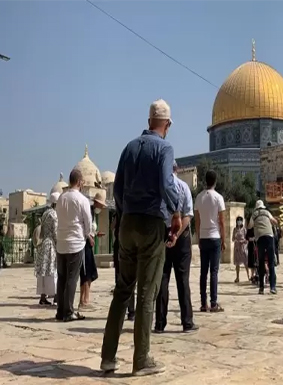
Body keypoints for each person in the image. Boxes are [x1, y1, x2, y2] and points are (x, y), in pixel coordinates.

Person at [101, 99, 181, 377]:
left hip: (127, 224)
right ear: (167, 124)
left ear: (149, 121)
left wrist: (122, 217)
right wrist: (176, 211)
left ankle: (108, 357)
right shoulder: (165, 148)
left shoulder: (130, 147)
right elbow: (165, 183)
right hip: (150, 225)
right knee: (147, 293)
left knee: (122, 292)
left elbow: (118, 189)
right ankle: (141, 358)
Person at [155, 161, 197, 333]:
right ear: (177, 170)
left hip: (163, 236)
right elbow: (187, 216)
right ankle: (187, 322)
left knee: (162, 279)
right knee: (182, 280)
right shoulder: (183, 187)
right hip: (182, 238)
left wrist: (167, 235)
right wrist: (176, 235)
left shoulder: (159, 188)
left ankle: (159, 322)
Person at [55, 169, 93, 322]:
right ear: (79, 182)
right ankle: (69, 311)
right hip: (76, 243)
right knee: (72, 278)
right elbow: (88, 221)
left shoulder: (61, 198)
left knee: (62, 277)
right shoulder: (81, 199)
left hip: (61, 242)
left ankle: (60, 311)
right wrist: (87, 234)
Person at [195, 169, 226, 313]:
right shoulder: (218, 198)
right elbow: (222, 221)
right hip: (215, 237)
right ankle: (213, 303)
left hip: (204, 236)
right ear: (215, 181)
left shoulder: (199, 198)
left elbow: (197, 220)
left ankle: (203, 303)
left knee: (203, 271)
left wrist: (199, 238)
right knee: (214, 271)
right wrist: (224, 239)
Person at [79, 191, 105, 309]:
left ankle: (86, 299)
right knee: (86, 272)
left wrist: (95, 234)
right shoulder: (88, 211)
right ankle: (83, 301)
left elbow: (90, 229)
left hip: (89, 243)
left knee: (90, 272)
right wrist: (89, 237)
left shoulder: (94, 214)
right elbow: (84, 228)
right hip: (85, 244)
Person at [248, 200, 278, 295]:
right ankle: (272, 287)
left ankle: (261, 287)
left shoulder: (254, 214)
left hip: (260, 238)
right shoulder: (267, 212)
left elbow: (249, 226)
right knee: (271, 262)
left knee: (261, 263)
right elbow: (274, 221)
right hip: (269, 236)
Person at [35, 192, 60, 306]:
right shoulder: (54, 215)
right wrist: (58, 243)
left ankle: (43, 296)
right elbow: (55, 232)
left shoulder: (45, 213)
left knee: (43, 271)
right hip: (50, 245)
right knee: (52, 269)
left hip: (43, 243)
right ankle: (55, 296)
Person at [111, 212, 135, 320]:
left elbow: (112, 226)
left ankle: (120, 310)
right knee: (130, 278)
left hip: (120, 245)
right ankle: (131, 311)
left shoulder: (119, 212)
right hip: (129, 245)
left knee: (120, 279)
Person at [232, 216, 249, 283]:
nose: (239, 222)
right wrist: (236, 240)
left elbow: (247, 239)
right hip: (237, 248)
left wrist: (243, 241)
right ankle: (237, 277)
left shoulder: (244, 229)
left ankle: (249, 276)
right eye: (238, 220)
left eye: (240, 220)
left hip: (243, 247)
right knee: (237, 264)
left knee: (246, 262)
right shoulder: (235, 229)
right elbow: (233, 238)